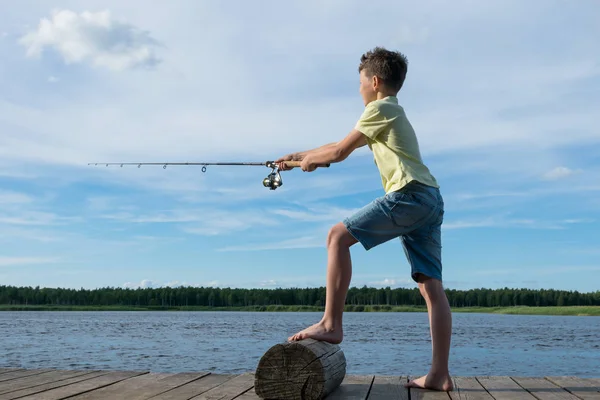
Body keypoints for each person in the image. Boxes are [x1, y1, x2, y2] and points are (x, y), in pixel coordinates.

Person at [275, 47, 453, 391]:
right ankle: (439, 374)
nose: (358, 90)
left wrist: (307, 163)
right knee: (431, 287)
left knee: (337, 236)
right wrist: (297, 156)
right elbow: (340, 143)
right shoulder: (389, 112)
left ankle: (330, 323)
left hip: (410, 195)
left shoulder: (379, 107)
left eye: (360, 83)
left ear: (374, 81)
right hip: (430, 198)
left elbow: (339, 152)